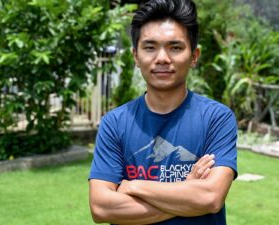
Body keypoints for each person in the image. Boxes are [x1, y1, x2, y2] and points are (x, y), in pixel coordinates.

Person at [88, 0, 238, 224]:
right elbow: (101, 207)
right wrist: (187, 191)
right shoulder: (115, 123)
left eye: (175, 47)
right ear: (136, 56)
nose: (162, 58)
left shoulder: (216, 118)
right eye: (149, 47)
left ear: (194, 56)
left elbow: (210, 197)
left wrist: (133, 185)